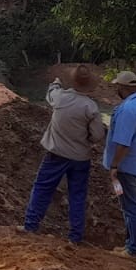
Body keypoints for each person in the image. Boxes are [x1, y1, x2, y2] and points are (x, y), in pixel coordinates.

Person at [21, 64, 107, 243]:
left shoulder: (60, 98)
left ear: (72, 81)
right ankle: (75, 237)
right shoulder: (90, 107)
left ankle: (31, 226)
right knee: (77, 195)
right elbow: (98, 135)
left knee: (42, 188)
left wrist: (56, 83)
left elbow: (51, 92)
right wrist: (87, 139)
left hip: (56, 154)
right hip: (80, 157)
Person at [102, 70, 136, 257]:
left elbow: (124, 143)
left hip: (127, 167)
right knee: (130, 206)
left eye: (117, 86)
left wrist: (114, 165)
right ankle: (130, 245)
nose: (116, 89)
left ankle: (134, 249)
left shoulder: (127, 110)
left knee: (131, 208)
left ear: (123, 87)